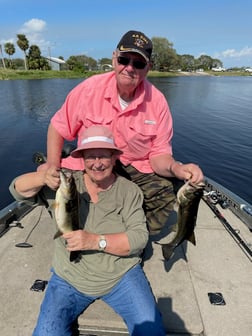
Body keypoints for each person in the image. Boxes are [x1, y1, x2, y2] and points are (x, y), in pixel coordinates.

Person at [42, 30, 204, 234]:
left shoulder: (158, 101)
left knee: (165, 192)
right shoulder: (89, 89)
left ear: (148, 68)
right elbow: (58, 126)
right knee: (49, 183)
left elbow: (159, 155)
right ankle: (79, 228)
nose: (129, 68)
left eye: (138, 63)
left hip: (135, 166)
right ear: (114, 58)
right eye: (124, 59)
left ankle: (135, 236)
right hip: (92, 161)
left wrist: (177, 168)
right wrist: (52, 166)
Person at [9, 125, 166, 336]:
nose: (97, 163)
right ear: (82, 159)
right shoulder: (67, 184)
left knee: (152, 332)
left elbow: (139, 238)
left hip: (121, 276)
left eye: (103, 156)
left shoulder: (129, 191)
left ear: (114, 158)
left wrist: (94, 241)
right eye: (90, 156)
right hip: (68, 277)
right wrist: (42, 178)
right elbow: (17, 190)